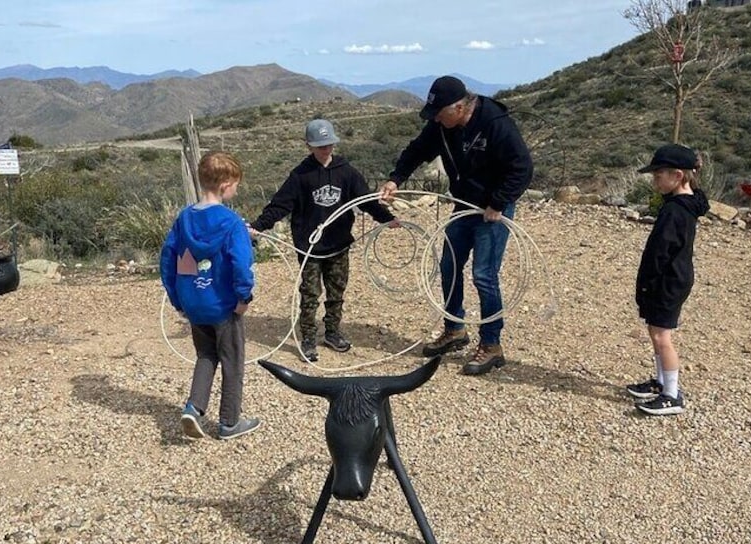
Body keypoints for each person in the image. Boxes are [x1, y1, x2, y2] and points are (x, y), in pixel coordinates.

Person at [379, 75, 533, 375]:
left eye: (440, 113)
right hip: (464, 205)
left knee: (484, 275)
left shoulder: (495, 123)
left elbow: (522, 167)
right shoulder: (441, 126)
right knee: (449, 265)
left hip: (491, 210)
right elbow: (417, 150)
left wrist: (498, 203)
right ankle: (455, 329)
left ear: (460, 107)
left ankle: (491, 345)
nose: (435, 118)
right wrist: (395, 178)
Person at [248, 119, 398, 362]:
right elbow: (280, 205)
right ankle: (308, 338)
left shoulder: (346, 171)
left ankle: (332, 332)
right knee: (309, 293)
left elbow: (365, 200)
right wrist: (258, 226)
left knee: (336, 291)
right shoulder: (300, 175)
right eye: (320, 146)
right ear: (309, 146)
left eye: (329, 144)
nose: (326, 149)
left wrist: (386, 218)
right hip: (310, 248)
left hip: (338, 244)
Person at [160, 150, 261, 440]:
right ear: (226, 184)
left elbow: (168, 260)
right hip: (223, 306)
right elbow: (241, 265)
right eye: (236, 184)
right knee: (232, 360)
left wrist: (178, 299)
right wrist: (244, 298)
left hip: (193, 304)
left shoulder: (184, 219)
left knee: (206, 355)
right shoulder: (231, 223)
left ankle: (194, 408)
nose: (237, 189)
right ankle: (229, 423)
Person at [626, 144, 710, 415]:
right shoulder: (687, 201)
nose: (655, 180)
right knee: (655, 330)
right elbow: (699, 192)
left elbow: (660, 252)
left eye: (658, 174)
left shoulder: (675, 211)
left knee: (663, 336)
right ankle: (661, 382)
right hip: (673, 279)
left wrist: (647, 284)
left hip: (668, 281)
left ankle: (672, 395)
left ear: (677, 175)